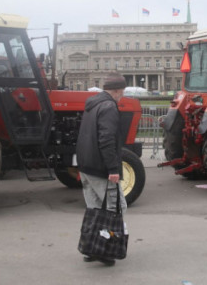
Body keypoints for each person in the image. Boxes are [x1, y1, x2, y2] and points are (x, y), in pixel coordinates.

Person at [76, 72, 127, 266]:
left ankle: (91, 248)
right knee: (115, 208)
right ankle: (105, 250)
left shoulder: (92, 104)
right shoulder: (109, 107)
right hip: (100, 168)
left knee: (94, 209)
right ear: (116, 90)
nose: (122, 95)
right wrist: (113, 169)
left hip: (86, 166)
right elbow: (106, 139)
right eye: (122, 92)